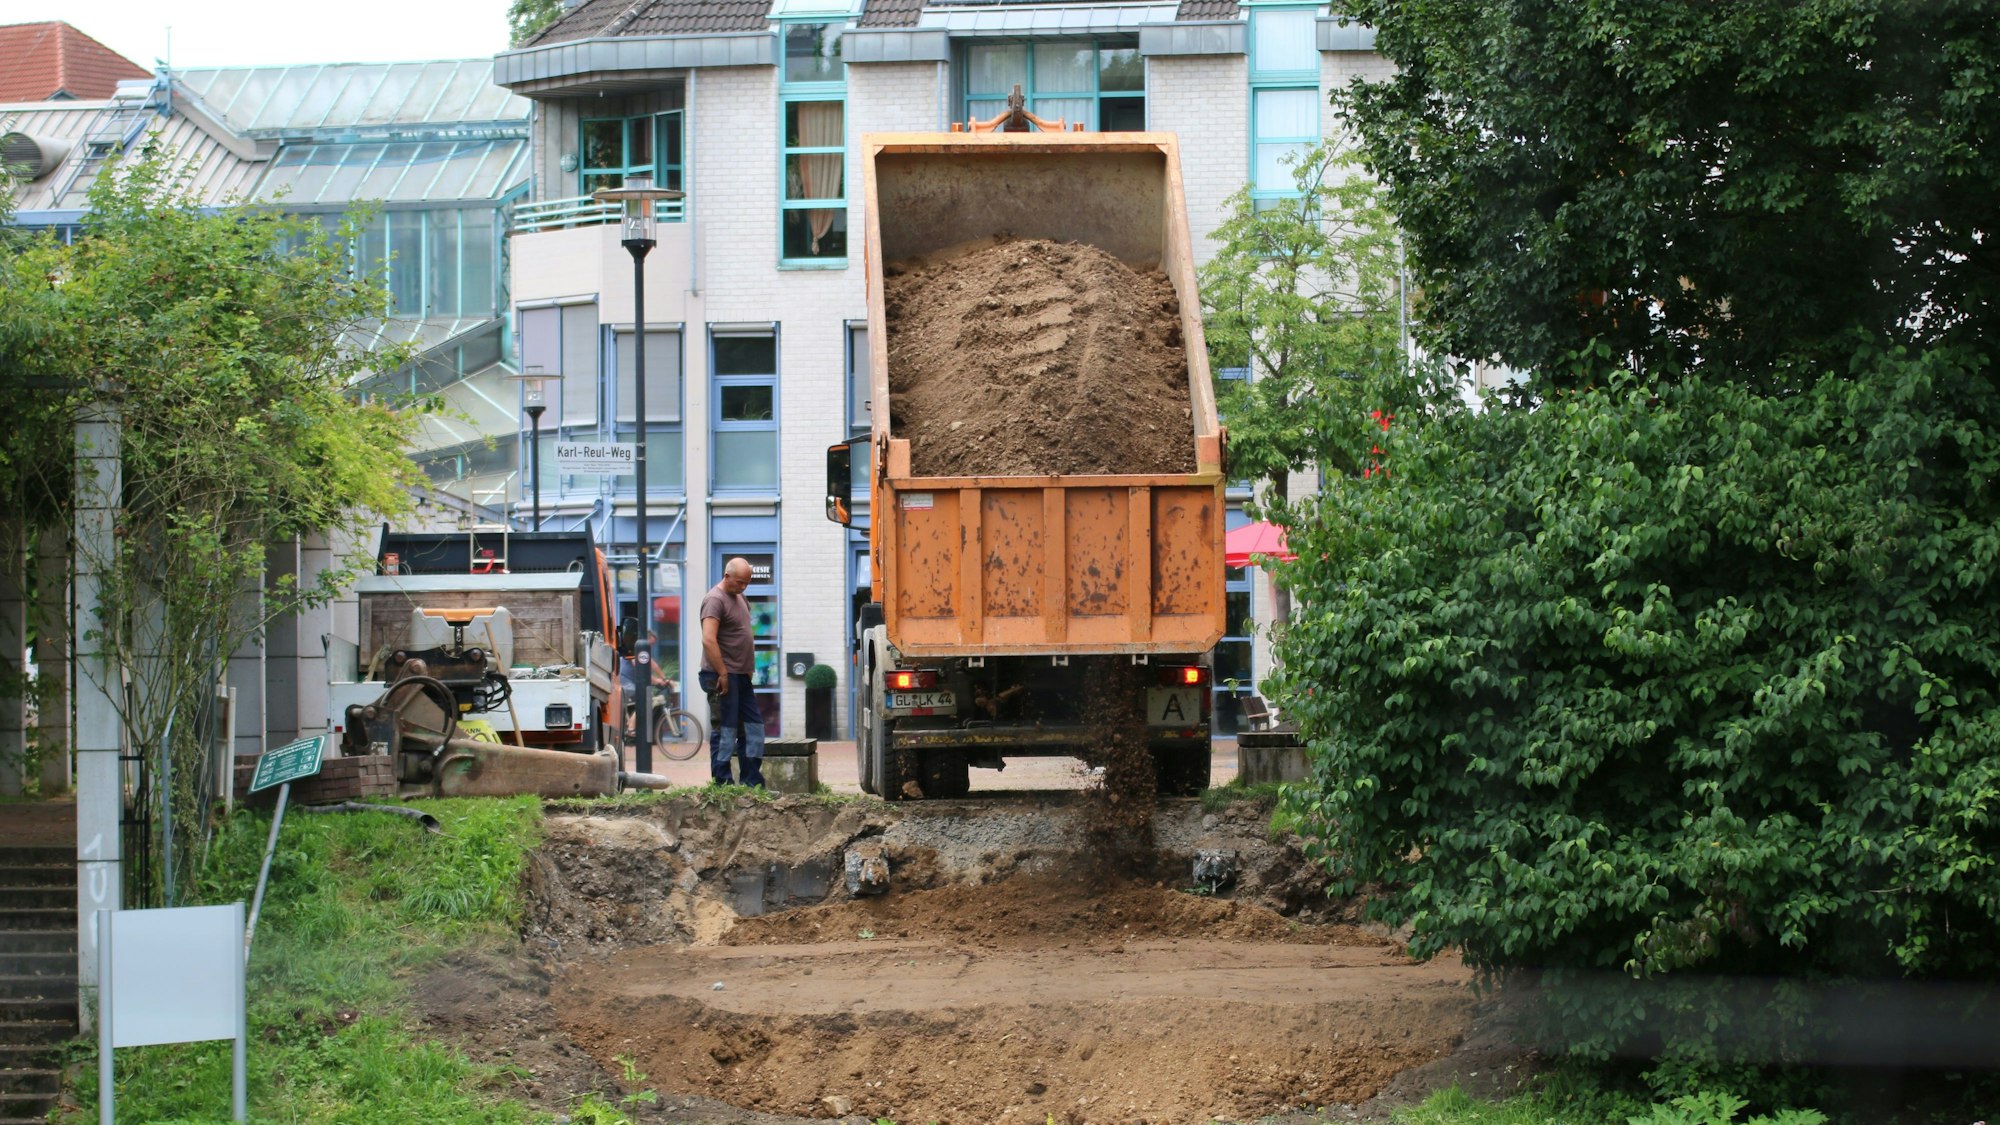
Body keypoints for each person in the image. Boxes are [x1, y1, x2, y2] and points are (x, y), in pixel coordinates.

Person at [699, 558, 764, 787]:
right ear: (726, 577)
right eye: (739, 582)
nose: (743, 587)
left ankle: (752, 782)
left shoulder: (740, 598)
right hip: (722, 675)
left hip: (741, 675)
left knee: (753, 728)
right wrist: (722, 673)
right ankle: (723, 784)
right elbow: (708, 639)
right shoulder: (714, 600)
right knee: (725, 730)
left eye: (747, 583)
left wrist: (747, 671)